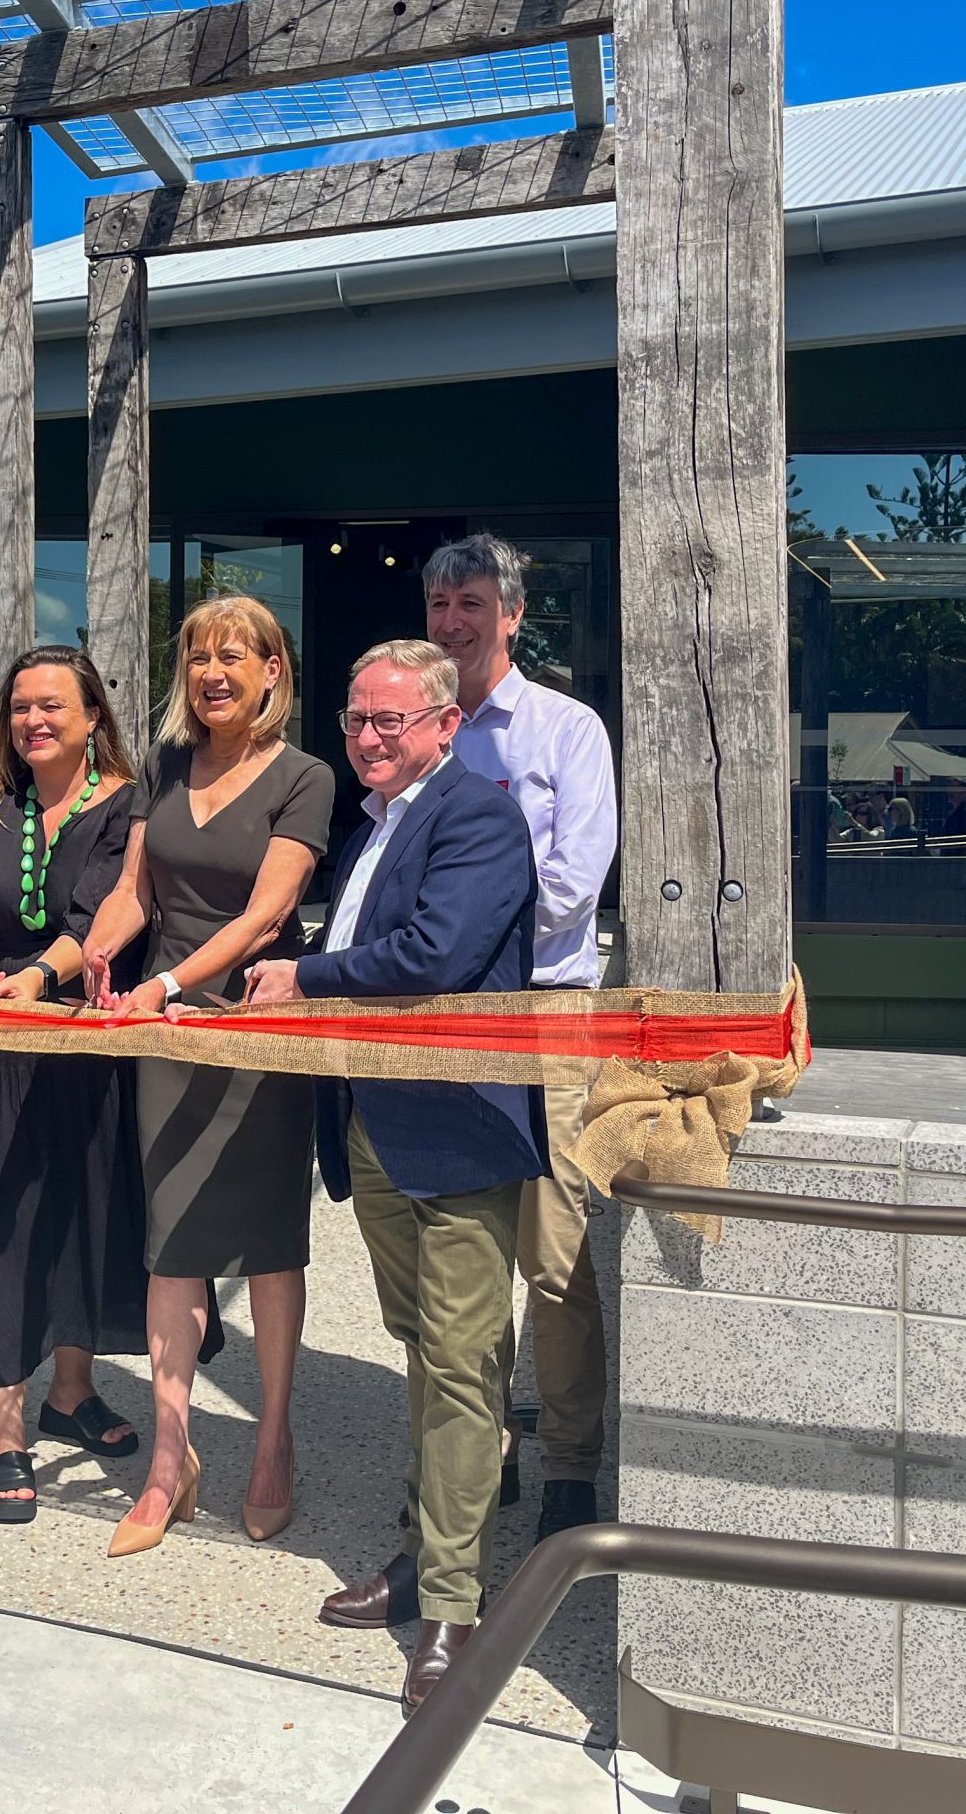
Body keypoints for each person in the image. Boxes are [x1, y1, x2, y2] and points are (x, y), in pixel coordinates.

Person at [244, 639, 542, 1716]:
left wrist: (304, 977)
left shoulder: (476, 815)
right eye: (356, 720)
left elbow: (437, 955)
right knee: (423, 1349)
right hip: (375, 1122)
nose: (368, 738)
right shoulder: (378, 824)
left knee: (462, 1366)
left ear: (445, 725)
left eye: (391, 721)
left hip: (456, 1129)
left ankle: (454, 1611)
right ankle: (424, 1554)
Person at [82, 594, 333, 1558]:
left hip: (254, 1022)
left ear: (274, 672)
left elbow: (270, 917)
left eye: (236, 656)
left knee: (270, 1244)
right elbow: (133, 890)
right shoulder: (165, 766)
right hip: (163, 1027)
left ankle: (272, 1442)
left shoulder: (304, 777)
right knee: (170, 1240)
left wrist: (169, 986)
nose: (214, 672)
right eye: (198, 658)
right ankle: (169, 1460)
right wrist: (102, 963)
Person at [0, 645, 158, 1525]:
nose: (36, 721)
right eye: (22, 706)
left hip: (89, 1039)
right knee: (6, 1223)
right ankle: (3, 1431)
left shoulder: (129, 804)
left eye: (55, 706)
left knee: (81, 1215)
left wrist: (43, 978)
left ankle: (70, 1393)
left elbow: (103, 915)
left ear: (94, 715)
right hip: (1, 1043)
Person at [421, 532, 619, 1541]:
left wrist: (450, 938)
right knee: (462, 1246)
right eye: (439, 604)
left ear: (511, 614)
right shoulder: (417, 735)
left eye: (471, 602)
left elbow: (575, 883)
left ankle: (572, 1467)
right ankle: (482, 1444)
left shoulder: (566, 730)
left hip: (541, 1010)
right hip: (439, 1020)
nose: (452, 620)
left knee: (553, 1254)